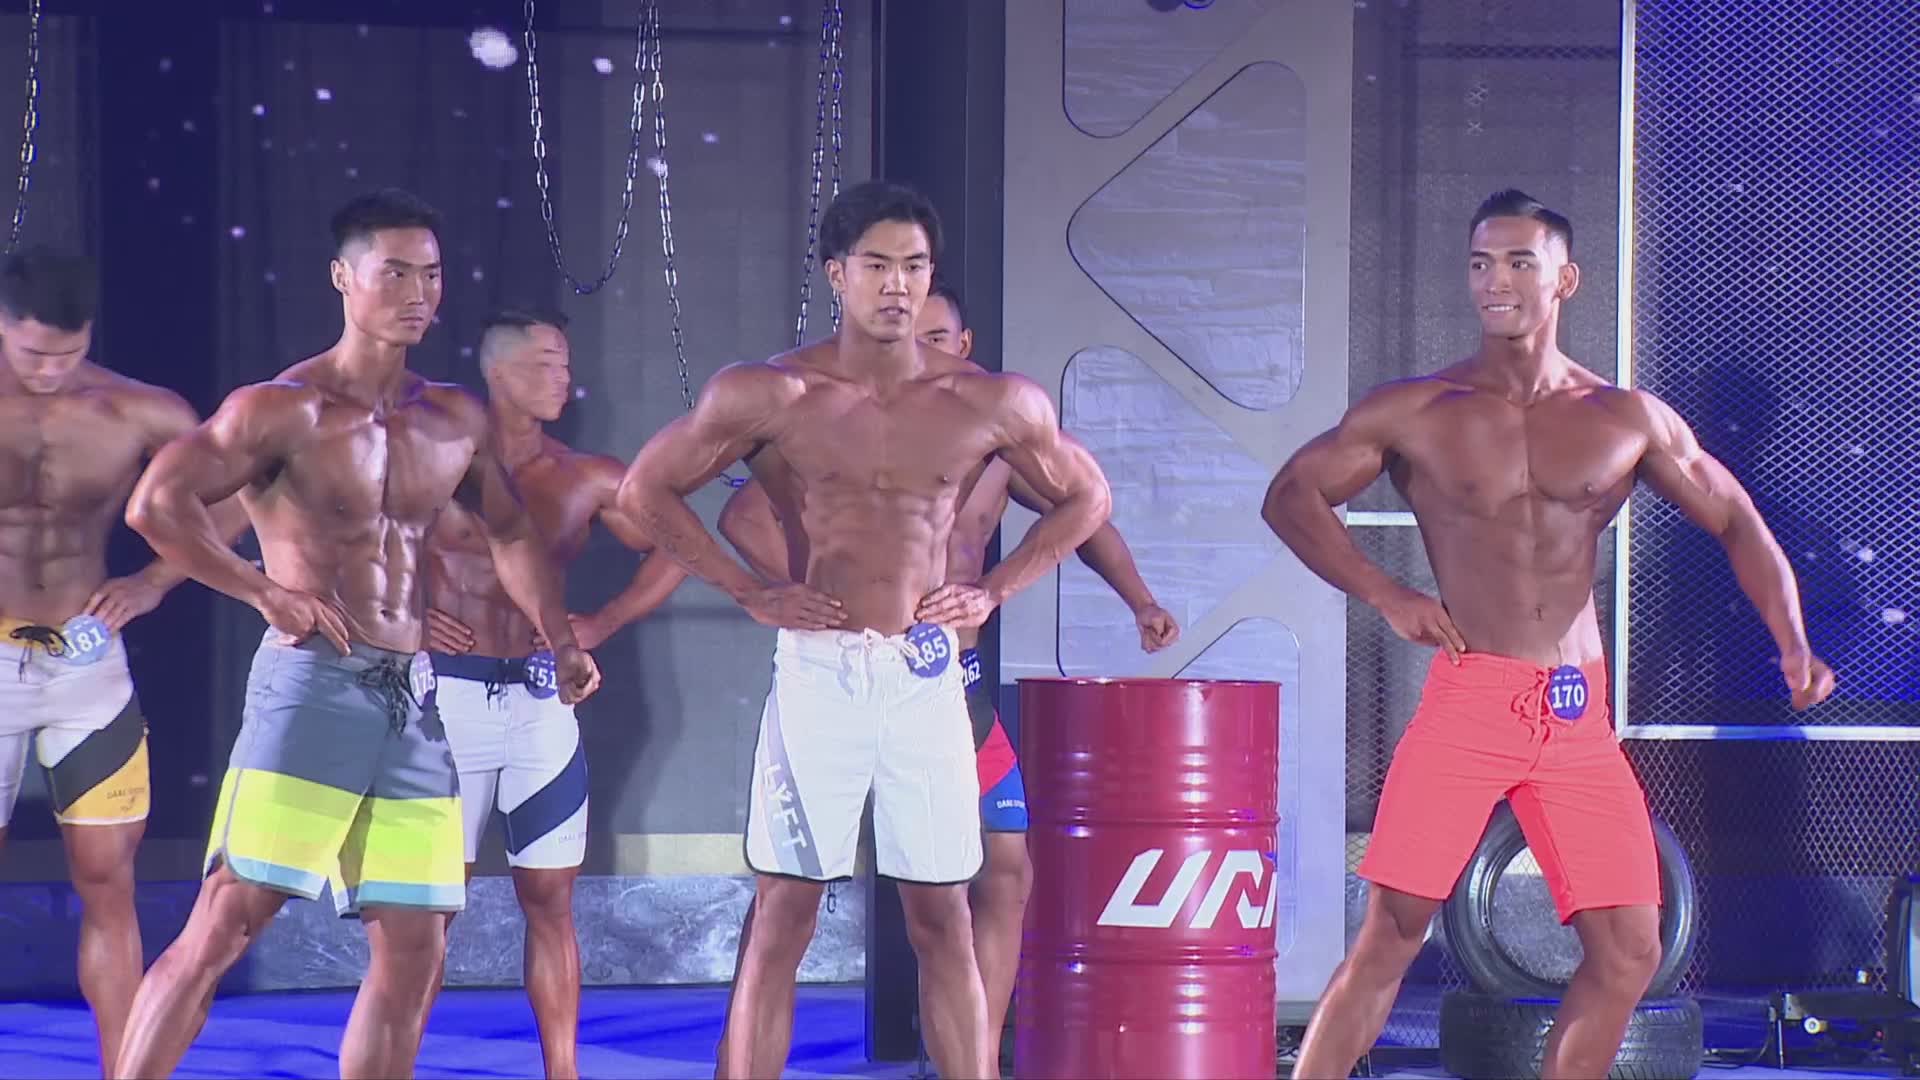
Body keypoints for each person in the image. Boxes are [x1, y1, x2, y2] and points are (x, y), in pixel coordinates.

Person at [1262, 189, 1836, 1079]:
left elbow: (1734, 518)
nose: (1495, 281)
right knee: (1393, 933)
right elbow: (1291, 496)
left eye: (1518, 263)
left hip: (1574, 713)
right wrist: (1386, 593)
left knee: (1630, 948)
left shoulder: (1624, 417)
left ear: (1564, 279)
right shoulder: (1417, 409)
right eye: (1481, 263)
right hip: (1472, 697)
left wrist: (1792, 642)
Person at [616, 179, 1112, 1080]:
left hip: (926, 676)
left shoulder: (990, 401)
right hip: (821, 673)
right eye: (877, 265)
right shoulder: (771, 391)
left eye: (914, 266)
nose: (897, 285)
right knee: (784, 914)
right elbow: (643, 491)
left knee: (942, 914)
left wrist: (994, 589)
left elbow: (1088, 498)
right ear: (836, 273)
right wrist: (750, 591)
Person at [111, 188, 602, 1080]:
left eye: (432, 275)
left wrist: (559, 638)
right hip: (316, 683)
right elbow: (157, 504)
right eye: (395, 273)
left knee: (417, 944)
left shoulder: (453, 418)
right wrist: (262, 590)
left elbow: (511, 534)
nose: (418, 293)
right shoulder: (282, 407)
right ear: (343, 277)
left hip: (413, 700)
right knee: (230, 917)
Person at [716, 277, 1178, 1058]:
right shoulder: (848, 436)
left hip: (954, 690)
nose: (914, 354)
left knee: (1002, 870)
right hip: (846, 679)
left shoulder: (991, 440)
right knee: (786, 899)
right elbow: (743, 515)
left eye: (934, 339)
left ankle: (973, 1054)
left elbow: (1085, 508)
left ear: (963, 348)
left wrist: (1138, 600)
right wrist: (810, 599)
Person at [418, 308, 687, 1079]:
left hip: (542, 705)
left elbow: (679, 544)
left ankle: (562, 1072)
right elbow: (344, 538)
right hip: (449, 702)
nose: (563, 379)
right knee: (428, 909)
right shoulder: (435, 461)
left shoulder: (585, 474)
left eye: (567, 365)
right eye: (545, 364)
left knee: (550, 900)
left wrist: (601, 621)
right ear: (498, 372)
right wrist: (405, 612)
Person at [0, 246, 242, 1071]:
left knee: (108, 881)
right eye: (32, 353)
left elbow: (244, 491)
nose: (48, 371)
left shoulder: (138, 410)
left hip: (87, 665)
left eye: (66, 355)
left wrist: (153, 581)